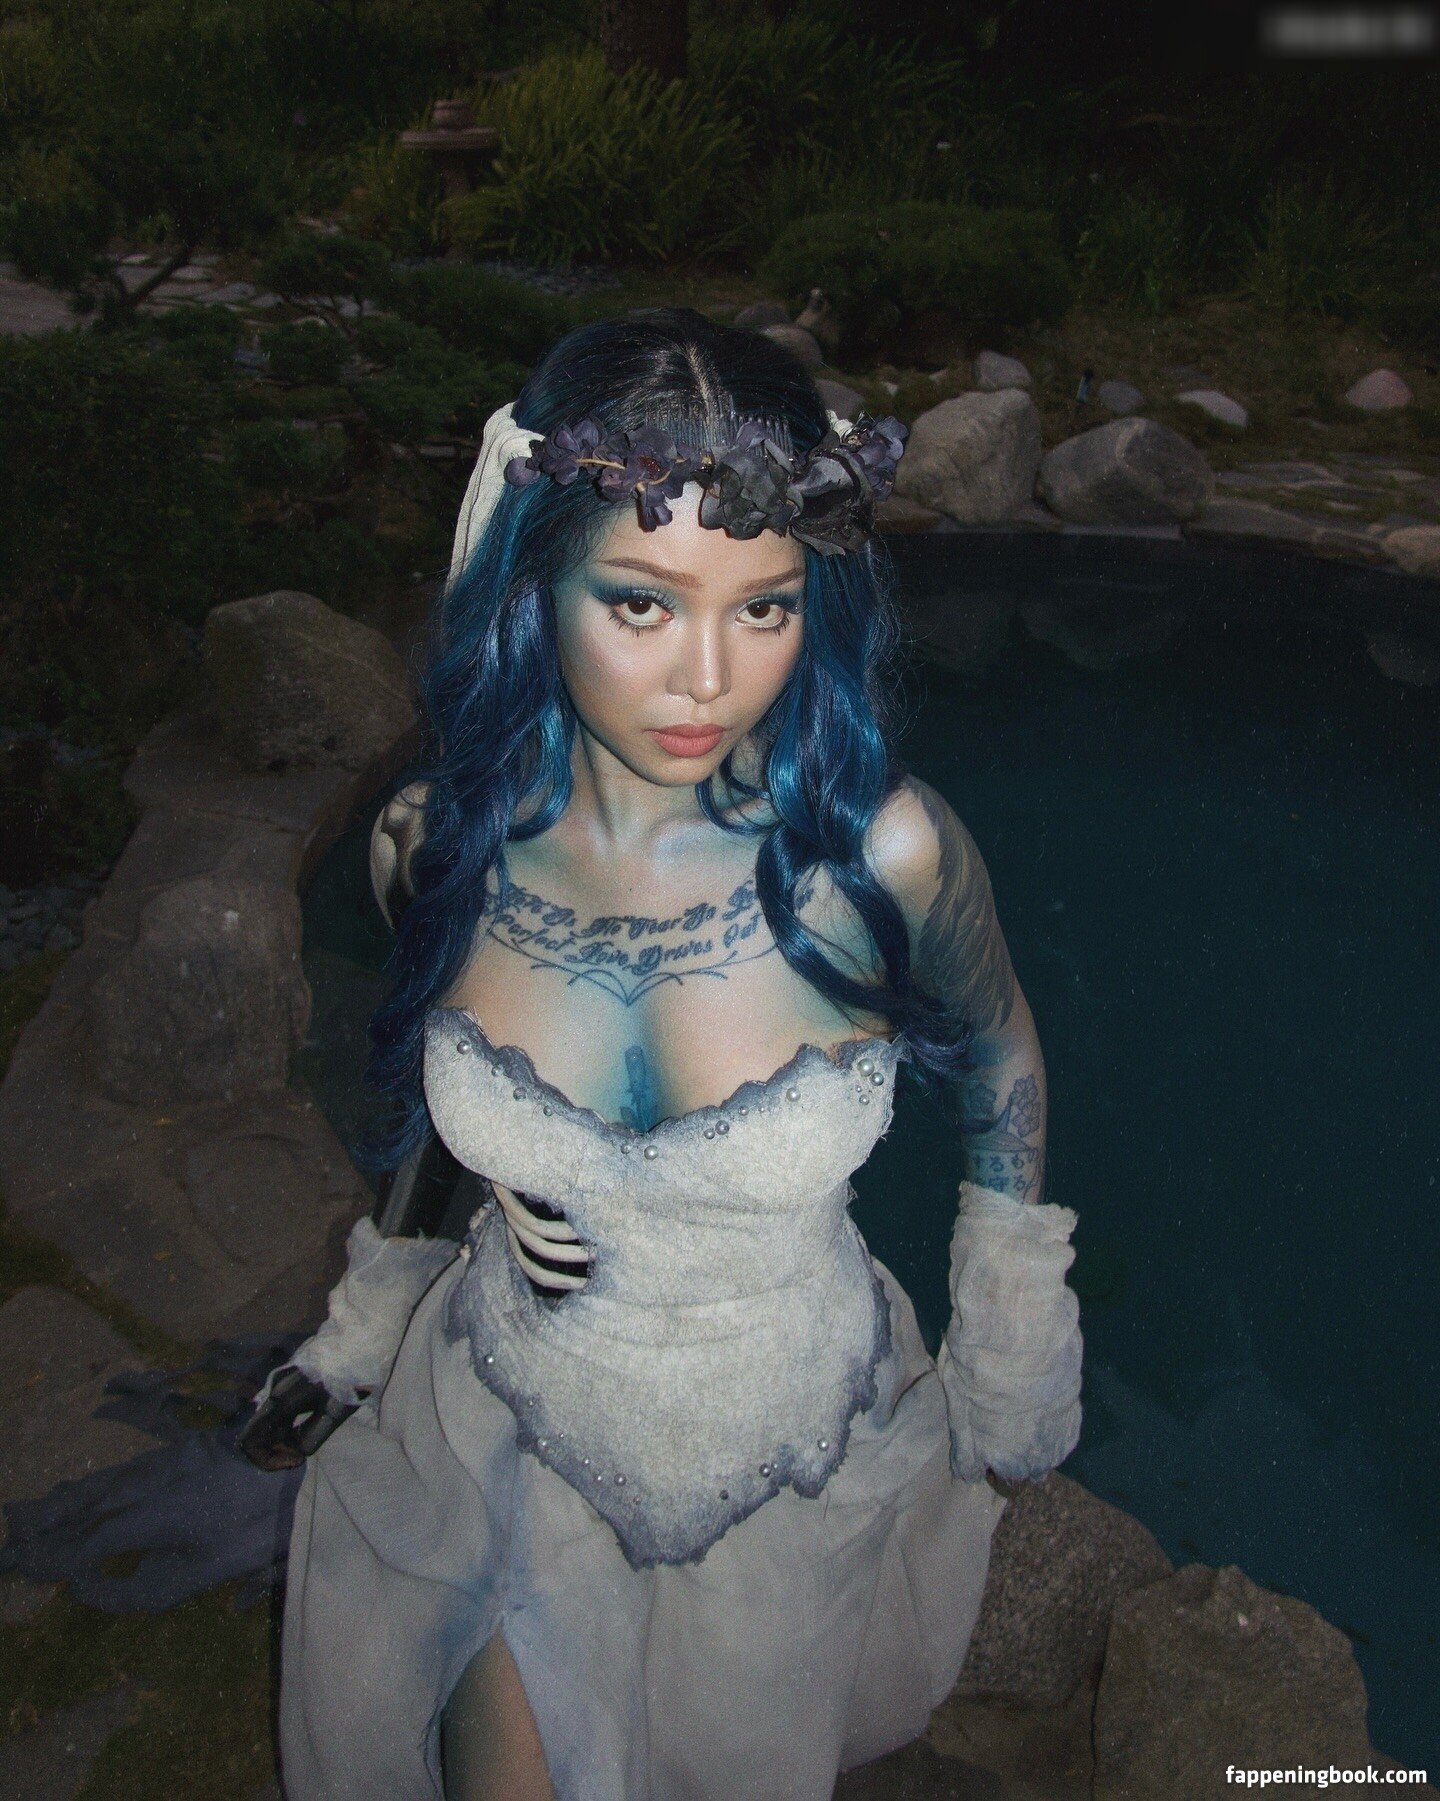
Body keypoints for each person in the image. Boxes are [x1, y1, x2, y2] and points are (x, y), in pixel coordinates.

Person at [259, 308, 1083, 1801]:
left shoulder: (881, 856)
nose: (709, 677)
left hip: (785, 1463)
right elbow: (441, 1118)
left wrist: (1012, 1336)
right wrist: (371, 1321)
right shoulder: (435, 851)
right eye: (642, 604)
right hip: (509, 1434)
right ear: (536, 582)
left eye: (766, 608)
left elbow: (1001, 1054)